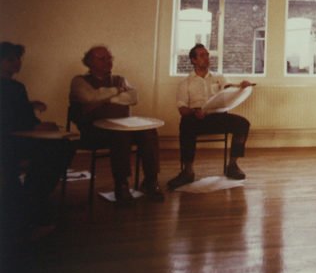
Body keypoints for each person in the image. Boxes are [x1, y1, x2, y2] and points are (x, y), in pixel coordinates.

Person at [69, 45, 164, 204]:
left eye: (110, 58)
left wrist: (103, 99)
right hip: (94, 131)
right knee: (120, 135)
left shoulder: (120, 79)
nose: (108, 61)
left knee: (149, 131)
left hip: (123, 127)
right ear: (89, 62)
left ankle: (151, 180)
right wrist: (116, 92)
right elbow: (89, 97)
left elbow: (133, 97)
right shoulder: (79, 81)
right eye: (102, 58)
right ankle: (122, 184)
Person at [0, 42, 75, 236]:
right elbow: (9, 119)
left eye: (18, 59)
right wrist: (35, 126)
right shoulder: (11, 87)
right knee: (54, 151)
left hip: (19, 136)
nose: (17, 63)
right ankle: (32, 201)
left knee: (64, 145)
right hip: (8, 140)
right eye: (10, 59)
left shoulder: (17, 86)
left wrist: (35, 117)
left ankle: (33, 195)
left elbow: (21, 114)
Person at [167, 44, 253, 190]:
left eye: (207, 55)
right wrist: (195, 111)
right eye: (202, 55)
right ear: (193, 60)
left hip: (218, 116)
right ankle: (188, 171)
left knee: (243, 123)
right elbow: (182, 109)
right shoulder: (185, 82)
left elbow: (229, 89)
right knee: (186, 124)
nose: (206, 58)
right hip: (197, 118)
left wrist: (242, 86)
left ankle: (232, 165)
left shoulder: (218, 77)